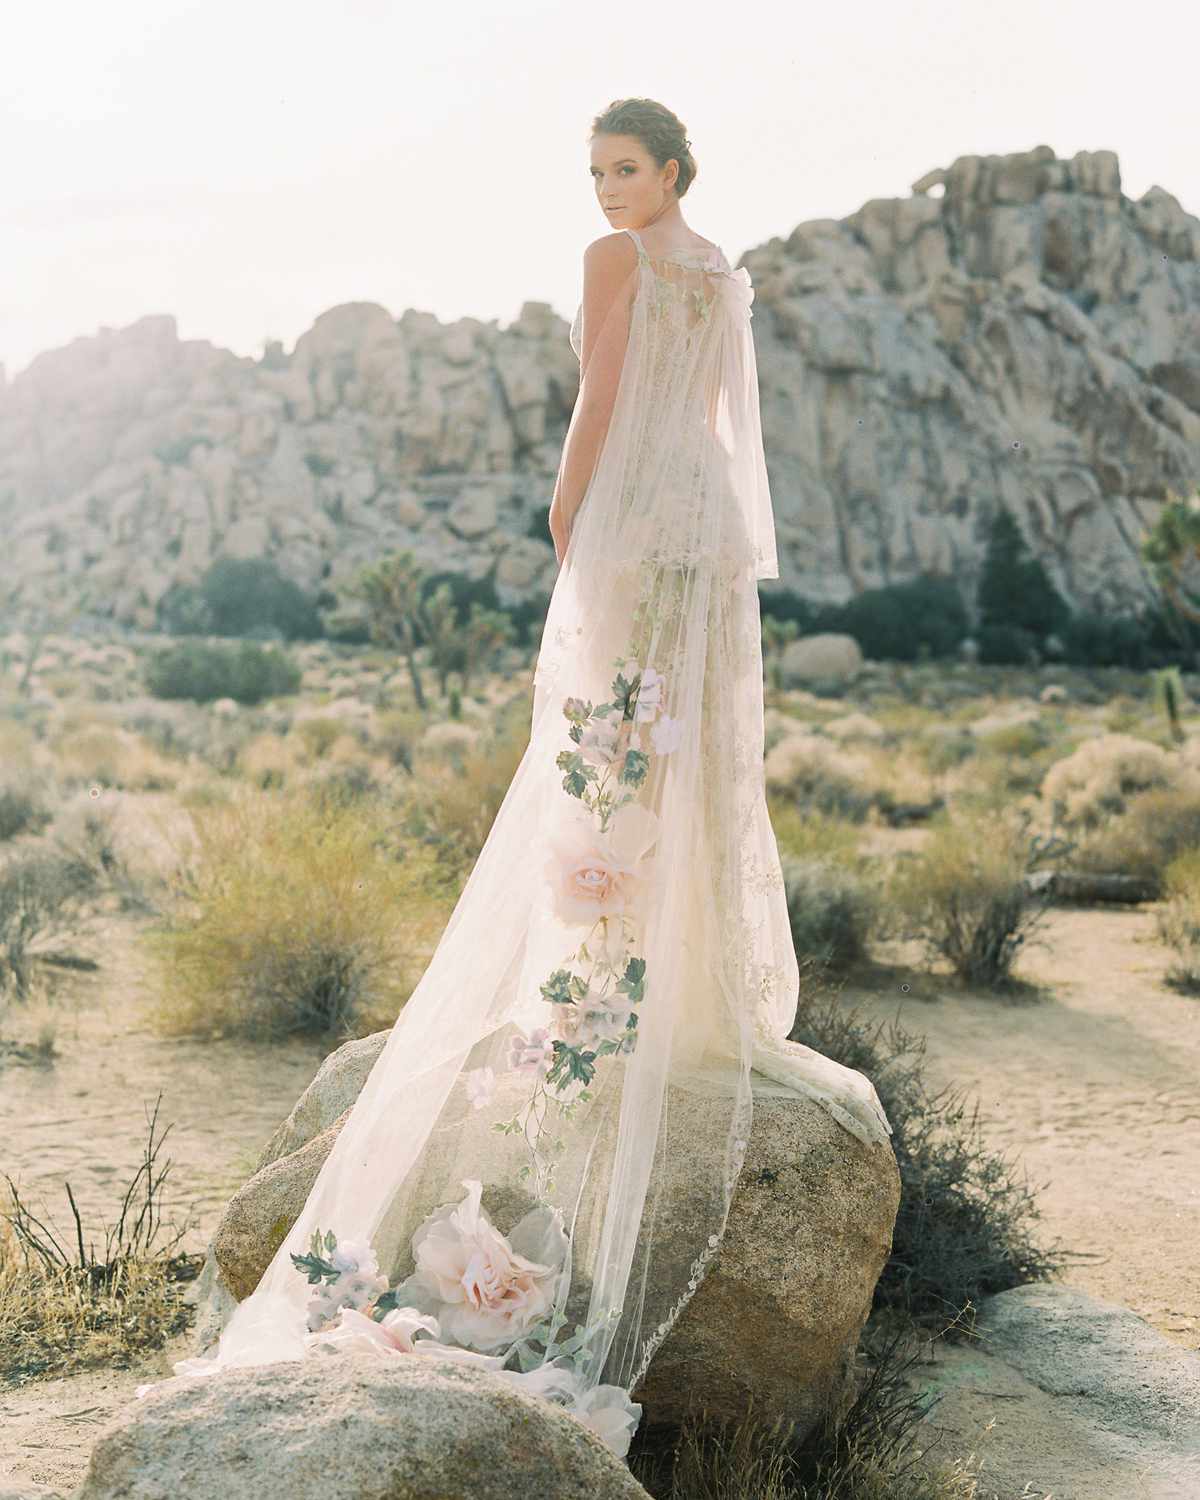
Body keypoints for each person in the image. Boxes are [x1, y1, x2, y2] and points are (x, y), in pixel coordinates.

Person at [134, 97, 892, 1462]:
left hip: (630, 514)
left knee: (607, 745)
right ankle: (689, 986)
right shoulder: (722, 268)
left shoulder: (625, 263)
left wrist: (564, 507)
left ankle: (605, 973)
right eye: (597, 171)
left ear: (673, 170)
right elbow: (718, 421)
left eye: (627, 168)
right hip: (703, 526)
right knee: (680, 754)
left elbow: (602, 392)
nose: (607, 191)